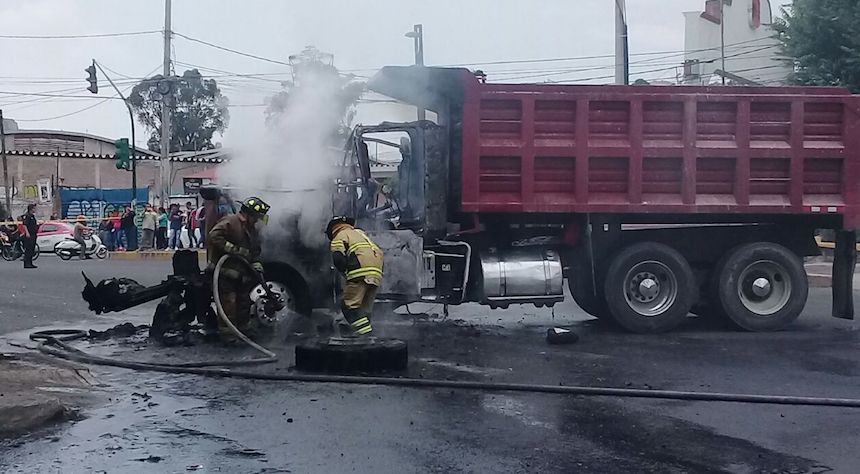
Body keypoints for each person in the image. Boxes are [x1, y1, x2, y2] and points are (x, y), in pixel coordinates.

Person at [207, 197, 270, 338]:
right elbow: (214, 236)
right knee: (229, 303)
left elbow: (254, 250)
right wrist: (234, 250)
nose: (257, 221)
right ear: (248, 214)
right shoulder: (230, 221)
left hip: (242, 273)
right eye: (256, 217)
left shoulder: (251, 229)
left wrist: (256, 263)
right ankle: (228, 335)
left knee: (244, 302)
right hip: (226, 272)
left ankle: (243, 330)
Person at [326, 216, 384, 337]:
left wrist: (345, 272)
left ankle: (366, 335)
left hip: (359, 273)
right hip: (376, 273)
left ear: (333, 229)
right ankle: (362, 336)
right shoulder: (360, 234)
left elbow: (338, 259)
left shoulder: (339, 236)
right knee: (363, 310)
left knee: (349, 306)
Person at [21, 203, 38, 269]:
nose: (35, 209)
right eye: (34, 208)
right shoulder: (27, 216)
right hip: (29, 235)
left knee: (32, 249)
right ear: (31, 209)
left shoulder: (32, 216)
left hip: (33, 234)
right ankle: (26, 263)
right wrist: (27, 233)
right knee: (28, 249)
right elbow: (25, 225)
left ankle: (30, 263)